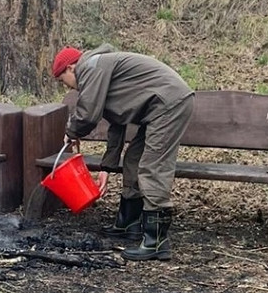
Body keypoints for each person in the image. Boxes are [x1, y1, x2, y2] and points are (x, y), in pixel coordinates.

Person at [52, 44, 194, 261]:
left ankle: (156, 241)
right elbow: (117, 124)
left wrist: (72, 132)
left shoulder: (91, 68)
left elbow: (88, 115)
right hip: (160, 107)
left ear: (71, 68)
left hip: (169, 104)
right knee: (133, 160)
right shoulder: (101, 70)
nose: (68, 88)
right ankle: (130, 223)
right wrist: (107, 168)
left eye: (63, 80)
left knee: (152, 166)